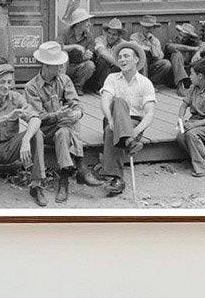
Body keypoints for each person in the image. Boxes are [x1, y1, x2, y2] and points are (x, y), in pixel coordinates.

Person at [24, 41, 102, 202]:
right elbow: (37, 118)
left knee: (65, 130)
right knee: (65, 122)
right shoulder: (31, 87)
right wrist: (57, 115)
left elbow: (75, 102)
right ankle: (80, 166)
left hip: (62, 130)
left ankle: (64, 181)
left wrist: (77, 113)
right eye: (57, 65)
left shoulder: (64, 80)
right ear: (45, 66)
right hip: (44, 131)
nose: (61, 67)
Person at [0, 64, 47, 207]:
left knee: (37, 133)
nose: (6, 86)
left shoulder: (16, 98)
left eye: (9, 82)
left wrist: (25, 140)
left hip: (11, 147)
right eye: (2, 82)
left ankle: (36, 185)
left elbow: (35, 118)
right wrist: (6, 117)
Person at [99, 42, 156, 197]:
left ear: (136, 59)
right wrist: (110, 119)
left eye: (126, 56)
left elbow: (149, 113)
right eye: (120, 57)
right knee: (117, 101)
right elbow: (105, 101)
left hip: (134, 124)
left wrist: (135, 131)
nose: (122, 59)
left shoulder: (145, 83)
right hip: (112, 118)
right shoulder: (112, 78)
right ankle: (130, 143)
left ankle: (117, 179)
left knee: (110, 133)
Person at [176, 57, 205, 178]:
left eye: (192, 74)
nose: (189, 76)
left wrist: (193, 125)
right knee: (181, 135)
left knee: (191, 134)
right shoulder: (193, 88)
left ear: (200, 76)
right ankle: (200, 156)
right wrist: (181, 118)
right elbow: (184, 105)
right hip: (195, 120)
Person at [58, 7, 97, 92]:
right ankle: (62, 87)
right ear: (79, 23)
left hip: (80, 67)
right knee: (63, 53)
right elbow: (57, 47)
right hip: (64, 68)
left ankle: (78, 87)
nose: (89, 24)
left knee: (90, 65)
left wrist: (88, 55)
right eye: (86, 21)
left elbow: (90, 52)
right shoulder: (65, 32)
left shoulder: (89, 36)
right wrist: (75, 46)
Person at [129, 18, 173, 85]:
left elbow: (158, 57)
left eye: (150, 28)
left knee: (166, 64)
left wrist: (152, 42)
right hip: (138, 65)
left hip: (152, 66)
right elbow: (135, 48)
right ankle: (143, 84)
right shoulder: (135, 37)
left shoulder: (155, 40)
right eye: (146, 27)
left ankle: (152, 84)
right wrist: (147, 49)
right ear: (142, 27)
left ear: (153, 28)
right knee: (143, 58)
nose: (148, 30)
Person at [91, 18, 126, 90]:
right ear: (106, 32)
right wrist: (118, 64)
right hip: (99, 73)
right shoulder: (100, 39)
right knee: (102, 60)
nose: (110, 36)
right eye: (109, 33)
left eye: (114, 34)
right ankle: (100, 87)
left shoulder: (123, 43)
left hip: (114, 71)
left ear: (119, 35)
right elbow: (102, 52)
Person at [165, 21, 203, 88]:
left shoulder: (192, 42)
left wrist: (198, 52)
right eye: (180, 35)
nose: (181, 38)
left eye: (185, 37)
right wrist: (193, 49)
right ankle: (180, 85)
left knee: (201, 57)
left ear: (189, 37)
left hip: (188, 76)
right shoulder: (172, 41)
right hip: (172, 76)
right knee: (177, 54)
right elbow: (171, 47)